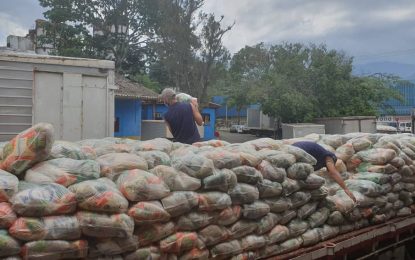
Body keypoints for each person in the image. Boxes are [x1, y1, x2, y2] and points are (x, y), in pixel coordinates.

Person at [292, 141, 357, 202]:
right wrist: (346, 189)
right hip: (299, 151)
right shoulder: (329, 157)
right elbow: (333, 172)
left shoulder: (318, 158)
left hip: (291, 149)